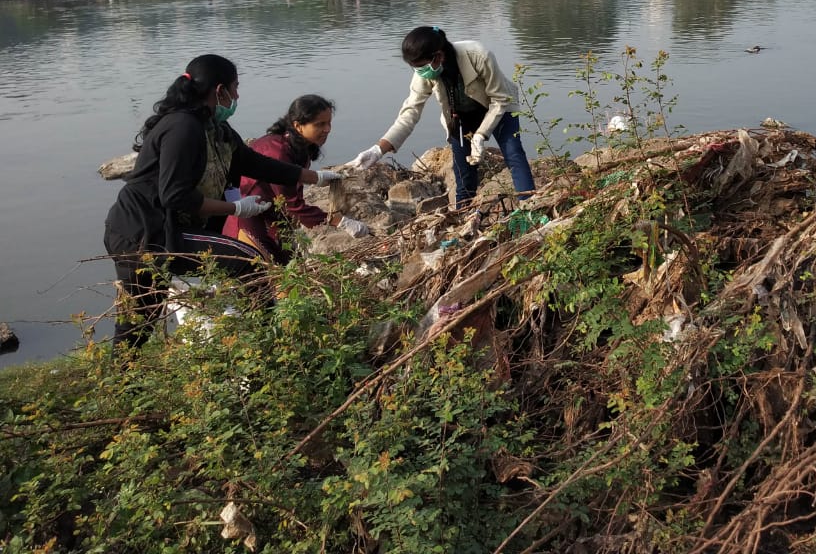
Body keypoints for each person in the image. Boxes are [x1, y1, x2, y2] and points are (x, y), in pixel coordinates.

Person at [103, 55, 341, 350]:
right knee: (246, 262)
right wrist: (236, 209)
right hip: (144, 231)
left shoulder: (216, 130)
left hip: (165, 231)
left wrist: (313, 177)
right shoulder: (182, 127)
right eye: (235, 88)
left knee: (142, 319)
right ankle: (268, 348)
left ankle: (261, 346)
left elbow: (254, 162)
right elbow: (175, 195)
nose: (237, 96)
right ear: (219, 91)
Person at [345, 26, 535, 209]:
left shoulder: (477, 54)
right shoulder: (425, 73)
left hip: (498, 107)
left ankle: (530, 205)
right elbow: (410, 112)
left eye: (420, 66)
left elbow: (500, 98)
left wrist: (481, 135)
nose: (419, 72)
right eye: (414, 67)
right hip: (460, 117)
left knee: (514, 154)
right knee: (463, 172)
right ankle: (464, 216)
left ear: (438, 56)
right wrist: (379, 149)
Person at [223, 95, 369, 262]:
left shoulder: (298, 148)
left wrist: (316, 178)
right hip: (250, 223)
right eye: (320, 124)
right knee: (263, 277)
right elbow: (292, 205)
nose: (328, 129)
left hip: (273, 222)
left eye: (329, 123)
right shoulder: (277, 151)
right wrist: (340, 222)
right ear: (298, 126)